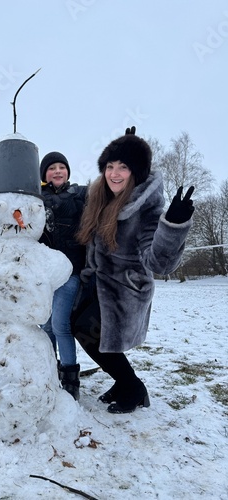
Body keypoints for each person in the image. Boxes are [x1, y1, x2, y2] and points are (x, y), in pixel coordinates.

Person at [73, 127, 194, 413]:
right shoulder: (104, 199)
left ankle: (134, 388)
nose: (114, 174)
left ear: (136, 172)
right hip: (101, 284)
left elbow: (159, 263)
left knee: (87, 332)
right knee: (83, 328)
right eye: (110, 166)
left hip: (126, 289)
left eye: (123, 167)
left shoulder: (146, 209)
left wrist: (173, 225)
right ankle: (124, 382)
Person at [39, 152, 87, 400]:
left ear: (67, 172)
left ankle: (71, 380)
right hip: (44, 275)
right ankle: (48, 371)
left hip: (70, 272)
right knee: (45, 326)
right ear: (43, 174)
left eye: (61, 167)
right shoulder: (36, 197)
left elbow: (111, 194)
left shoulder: (79, 195)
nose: (57, 171)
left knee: (60, 324)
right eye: (51, 168)